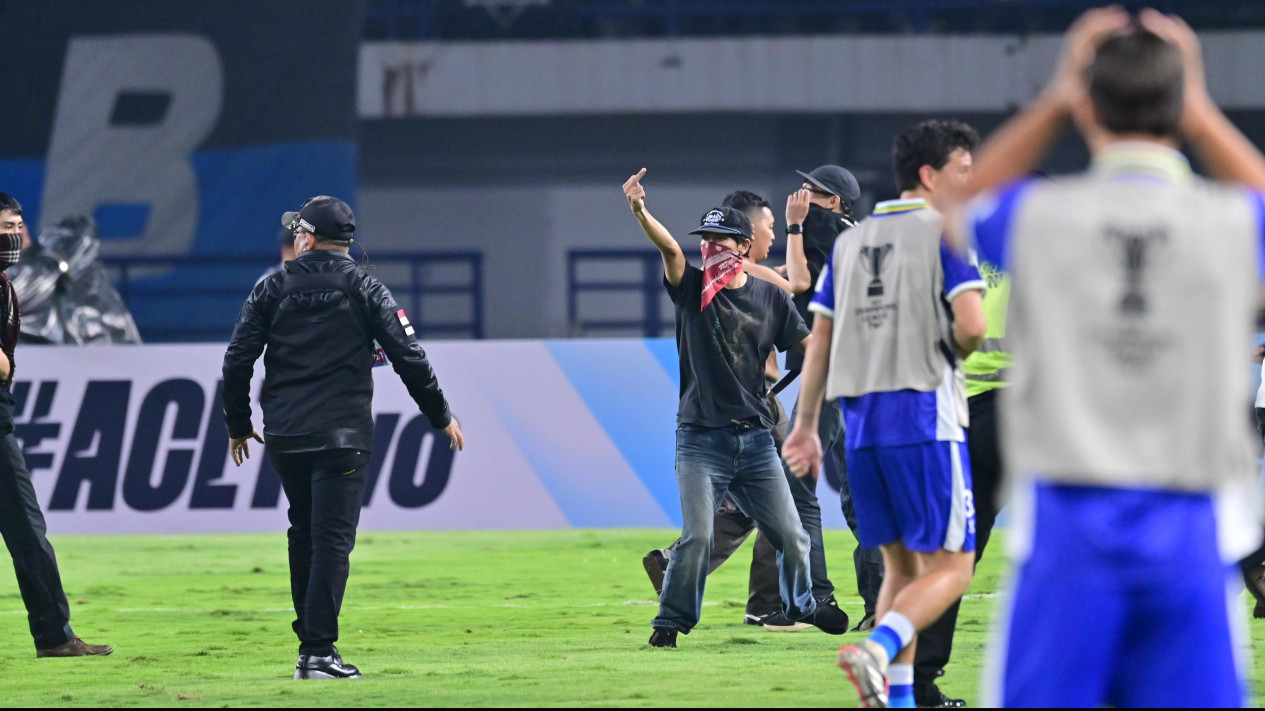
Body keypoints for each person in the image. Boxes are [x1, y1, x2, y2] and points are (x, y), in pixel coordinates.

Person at [949, 8, 1265, 706]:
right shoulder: (1227, 220)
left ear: (1087, 105)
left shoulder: (1043, 215)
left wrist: (1058, 93)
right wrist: (1202, 107)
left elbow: (960, 207)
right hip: (1189, 529)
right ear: (1178, 107)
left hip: (1066, 528)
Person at [782, 120, 987, 709]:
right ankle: (878, 647)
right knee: (953, 567)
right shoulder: (947, 233)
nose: (969, 185)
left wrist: (804, 427)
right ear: (930, 175)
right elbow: (972, 325)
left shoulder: (852, 242)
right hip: (925, 420)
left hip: (863, 428)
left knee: (898, 567)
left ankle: (893, 699)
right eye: (963, 172)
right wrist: (949, 352)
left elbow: (818, 339)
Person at [223, 195, 465, 680]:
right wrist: (440, 414)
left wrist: (237, 423)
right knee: (332, 542)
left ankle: (310, 650)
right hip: (344, 438)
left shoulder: (271, 288)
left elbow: (237, 360)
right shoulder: (367, 288)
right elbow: (409, 357)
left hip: (287, 437)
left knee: (303, 533)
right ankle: (317, 653)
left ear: (307, 238)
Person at [622, 169, 837, 648]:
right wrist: (640, 211)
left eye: (721, 239)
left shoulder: (771, 297)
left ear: (742, 246)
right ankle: (670, 624)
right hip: (701, 438)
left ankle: (803, 607)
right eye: (707, 239)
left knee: (792, 536)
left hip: (756, 440)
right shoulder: (691, 290)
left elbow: (807, 346)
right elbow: (671, 251)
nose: (710, 247)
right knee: (697, 538)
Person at [0, 193, 112, 658]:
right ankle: (54, 636)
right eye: (6, 223)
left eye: (18, 224)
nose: (15, 233)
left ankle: (54, 635)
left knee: (27, 532)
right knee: (27, 531)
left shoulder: (3, 283)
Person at [786, 165, 886, 632]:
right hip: (862, 375)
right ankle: (877, 601)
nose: (804, 193)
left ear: (838, 202)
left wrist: (795, 224)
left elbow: (797, 283)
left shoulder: (820, 228)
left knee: (794, 482)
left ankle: (814, 599)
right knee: (858, 491)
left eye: (817, 191)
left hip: (827, 372)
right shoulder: (862, 236)